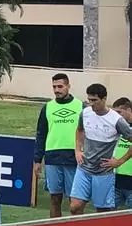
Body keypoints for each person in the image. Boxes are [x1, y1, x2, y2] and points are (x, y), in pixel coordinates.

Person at [70, 84, 132, 215]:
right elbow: (79, 129)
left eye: (94, 100)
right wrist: (77, 150)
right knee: (75, 206)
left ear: (104, 99)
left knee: (102, 212)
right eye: (89, 100)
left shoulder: (116, 120)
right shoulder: (85, 113)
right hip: (84, 168)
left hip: (103, 172)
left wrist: (120, 161)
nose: (91, 104)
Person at [33, 72, 81, 217]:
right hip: (52, 157)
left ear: (68, 86)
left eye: (60, 86)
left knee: (76, 201)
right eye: (54, 87)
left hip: (73, 157)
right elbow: (41, 134)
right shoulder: (47, 108)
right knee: (54, 198)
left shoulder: (81, 106)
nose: (57, 90)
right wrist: (37, 159)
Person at [110, 98, 132, 209]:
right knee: (108, 214)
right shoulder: (117, 127)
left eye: (119, 112)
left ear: (129, 110)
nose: (116, 116)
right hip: (117, 179)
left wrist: (120, 161)